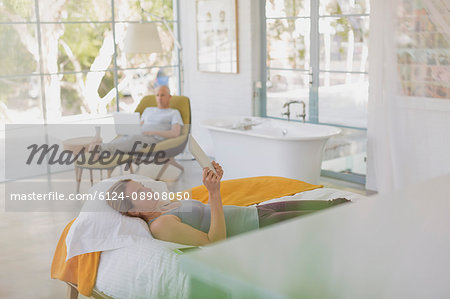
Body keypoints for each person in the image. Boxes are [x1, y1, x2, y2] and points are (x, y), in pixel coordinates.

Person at [106, 162, 350, 246]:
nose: (147, 188)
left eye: (143, 185)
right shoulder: (160, 226)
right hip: (255, 228)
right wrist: (214, 193)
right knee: (325, 219)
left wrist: (212, 179)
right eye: (140, 191)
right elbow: (215, 242)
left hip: (255, 211)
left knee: (334, 204)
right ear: (134, 210)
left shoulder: (167, 205)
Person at [92, 85, 183, 154]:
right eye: (157, 95)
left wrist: (153, 132)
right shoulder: (148, 110)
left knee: (134, 138)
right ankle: (101, 148)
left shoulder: (173, 113)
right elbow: (140, 124)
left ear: (169, 97)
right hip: (140, 134)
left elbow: (175, 133)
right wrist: (131, 129)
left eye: (162, 95)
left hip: (154, 139)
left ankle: (101, 149)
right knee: (126, 136)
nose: (159, 98)